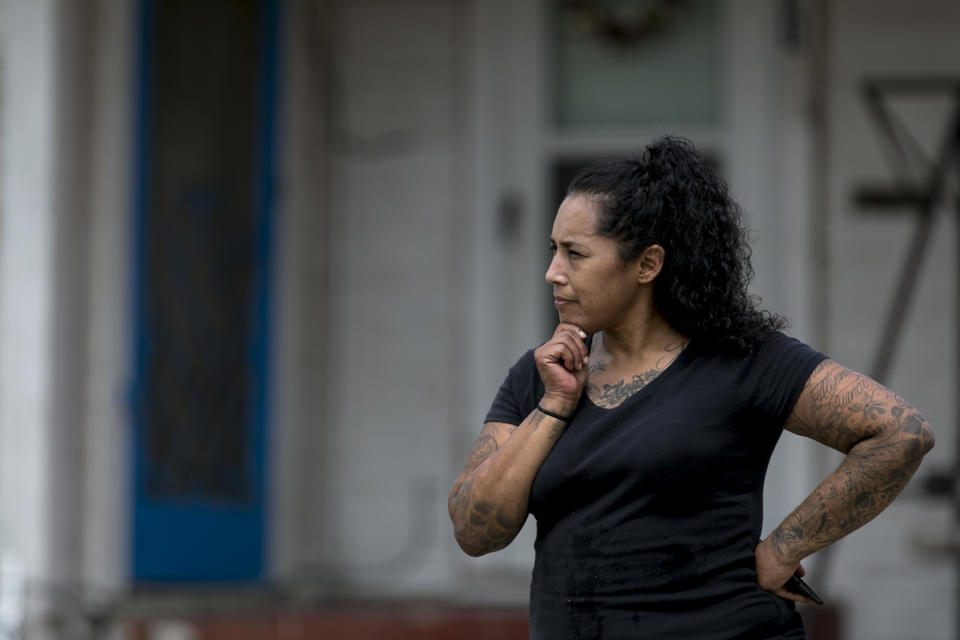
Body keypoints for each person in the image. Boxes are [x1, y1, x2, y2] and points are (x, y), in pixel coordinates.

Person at [447, 136, 935, 639]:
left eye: (575, 254)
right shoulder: (540, 375)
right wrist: (553, 406)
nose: (553, 273)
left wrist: (783, 548)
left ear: (647, 265)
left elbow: (900, 433)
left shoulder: (741, 359)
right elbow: (474, 532)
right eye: (553, 251)